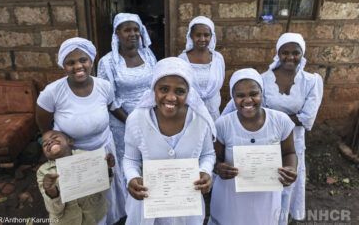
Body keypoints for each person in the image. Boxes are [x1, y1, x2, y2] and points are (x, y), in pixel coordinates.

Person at [35, 37, 126, 224]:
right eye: (70, 62)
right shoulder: (52, 92)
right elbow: (44, 125)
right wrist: (56, 148)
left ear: (91, 60)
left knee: (105, 193)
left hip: (103, 149)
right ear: (63, 65)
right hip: (71, 155)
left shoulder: (104, 87)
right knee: (77, 200)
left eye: (83, 60)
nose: (78, 66)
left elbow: (109, 108)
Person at [123, 57, 216, 225]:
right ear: (154, 89)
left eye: (180, 91)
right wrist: (132, 177)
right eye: (164, 89)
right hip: (147, 208)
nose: (171, 97)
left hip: (186, 210)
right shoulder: (137, 119)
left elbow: (208, 154)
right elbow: (131, 159)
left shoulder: (200, 120)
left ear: (188, 92)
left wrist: (205, 171)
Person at [209, 68, 298, 225]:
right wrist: (219, 168)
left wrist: (291, 168)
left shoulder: (281, 121)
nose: (248, 100)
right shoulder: (223, 125)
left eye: (253, 94)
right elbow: (214, 159)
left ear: (261, 93)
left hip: (266, 197)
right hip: (231, 198)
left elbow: (289, 152)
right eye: (240, 95)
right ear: (232, 97)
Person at [261, 33, 323, 224]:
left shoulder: (311, 81)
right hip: (267, 139)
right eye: (284, 52)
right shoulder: (263, 79)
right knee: (266, 179)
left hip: (294, 142)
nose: (290, 57)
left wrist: (273, 117)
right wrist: (284, 119)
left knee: (287, 179)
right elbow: (258, 110)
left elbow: (307, 117)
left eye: (295, 53)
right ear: (277, 54)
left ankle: (281, 219)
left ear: (302, 54)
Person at [98, 13, 156, 184]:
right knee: (128, 158)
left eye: (136, 30)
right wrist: (131, 121)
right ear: (117, 33)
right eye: (127, 30)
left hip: (149, 118)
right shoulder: (108, 62)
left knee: (148, 156)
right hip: (122, 121)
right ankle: (128, 202)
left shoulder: (148, 55)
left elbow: (156, 86)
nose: (133, 34)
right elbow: (108, 99)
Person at [37, 130, 115, 225]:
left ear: (70, 141)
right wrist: (51, 191)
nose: (49, 142)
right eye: (45, 144)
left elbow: (103, 189)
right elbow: (55, 210)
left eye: (54, 138)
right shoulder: (43, 172)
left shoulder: (87, 156)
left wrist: (106, 169)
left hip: (96, 216)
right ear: (45, 154)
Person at [178, 16, 225, 120]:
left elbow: (220, 83)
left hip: (213, 113)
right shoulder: (182, 60)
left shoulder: (218, 59)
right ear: (191, 36)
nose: (202, 39)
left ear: (211, 36)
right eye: (198, 35)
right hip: (190, 113)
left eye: (206, 35)